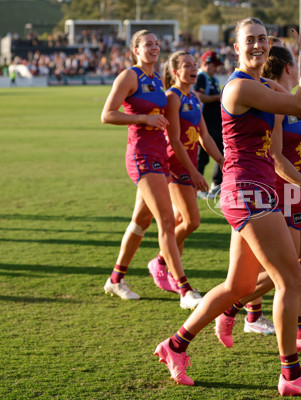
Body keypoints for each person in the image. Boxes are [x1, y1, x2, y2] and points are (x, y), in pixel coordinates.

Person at [153, 15, 301, 397]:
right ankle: (291, 375)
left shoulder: (264, 85)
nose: (257, 45)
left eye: (262, 39)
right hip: (247, 192)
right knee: (291, 278)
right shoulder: (239, 88)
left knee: (237, 285)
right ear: (236, 48)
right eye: (249, 40)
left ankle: (174, 346)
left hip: (258, 188)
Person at [213, 41, 301, 353]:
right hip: (278, 189)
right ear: (290, 67)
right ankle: (260, 317)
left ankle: (243, 309)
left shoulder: (286, 96)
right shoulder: (272, 104)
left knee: (300, 264)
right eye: (299, 63)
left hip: (299, 188)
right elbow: (277, 158)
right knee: (287, 270)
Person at [100, 30, 206, 309]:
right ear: (135, 49)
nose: (154, 48)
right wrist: (143, 117)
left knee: (141, 222)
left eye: (157, 44)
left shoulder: (157, 79)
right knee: (167, 222)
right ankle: (185, 290)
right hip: (142, 155)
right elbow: (107, 114)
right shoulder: (129, 76)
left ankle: (116, 278)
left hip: (159, 155)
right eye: (148, 44)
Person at [146, 50, 225, 297]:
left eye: (194, 64)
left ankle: (170, 269)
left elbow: (204, 135)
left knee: (182, 222)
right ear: (175, 71)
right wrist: (195, 173)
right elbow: (175, 141)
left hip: (187, 166)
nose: (193, 68)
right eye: (187, 65)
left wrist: (223, 161)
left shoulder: (193, 97)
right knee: (192, 221)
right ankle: (161, 260)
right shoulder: (173, 97)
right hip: (174, 167)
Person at [193, 50, 224, 200]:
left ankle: (216, 184)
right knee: (202, 156)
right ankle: (197, 187)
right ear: (206, 63)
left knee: (223, 152)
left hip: (216, 124)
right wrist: (218, 97)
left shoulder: (214, 80)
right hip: (205, 123)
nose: (216, 68)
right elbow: (198, 96)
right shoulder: (201, 77)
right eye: (214, 65)